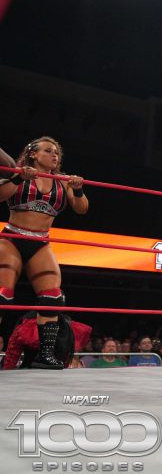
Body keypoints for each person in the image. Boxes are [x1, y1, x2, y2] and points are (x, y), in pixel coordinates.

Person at [0, 137, 89, 368]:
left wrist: (78, 189)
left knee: (52, 297)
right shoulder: (19, 173)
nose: (54, 155)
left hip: (40, 241)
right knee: (2, 295)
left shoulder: (63, 182)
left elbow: (82, 209)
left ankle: (45, 355)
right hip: (13, 237)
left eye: (56, 152)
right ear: (33, 154)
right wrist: (19, 178)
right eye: (48, 151)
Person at [2, 312, 91, 369]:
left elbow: (12, 354)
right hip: (56, 373)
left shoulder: (27, 325)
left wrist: (8, 370)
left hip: (32, 371)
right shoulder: (68, 325)